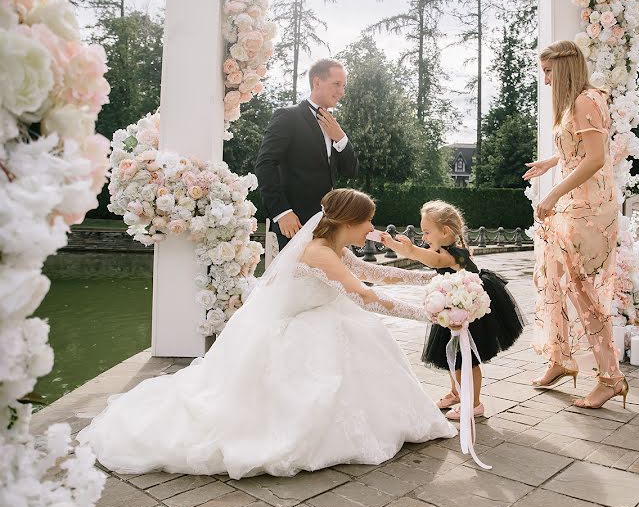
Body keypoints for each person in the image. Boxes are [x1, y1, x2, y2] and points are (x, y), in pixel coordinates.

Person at [78, 189, 456, 479]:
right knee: (345, 331)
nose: (371, 229)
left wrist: (438, 278)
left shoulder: (336, 247)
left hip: (316, 314)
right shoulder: (320, 252)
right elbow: (366, 297)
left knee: (354, 334)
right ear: (346, 222)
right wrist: (430, 316)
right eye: (367, 222)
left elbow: (381, 274)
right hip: (287, 328)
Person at [522, 40, 627, 410]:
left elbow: (596, 158)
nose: (546, 80)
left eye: (549, 72)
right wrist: (551, 163)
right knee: (552, 278)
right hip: (576, 203)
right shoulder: (579, 103)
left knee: (581, 288)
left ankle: (611, 378)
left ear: (564, 69)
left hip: (589, 208)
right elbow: (579, 147)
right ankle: (560, 358)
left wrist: (551, 195)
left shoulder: (584, 100)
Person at [381, 200, 525, 420]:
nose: (424, 237)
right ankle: (457, 392)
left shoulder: (448, 256)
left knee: (465, 358)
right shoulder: (454, 250)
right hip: (455, 308)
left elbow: (425, 257)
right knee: (452, 354)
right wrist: (394, 245)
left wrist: (406, 248)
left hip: (466, 313)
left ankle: (474, 404)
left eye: (427, 232)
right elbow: (422, 255)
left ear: (445, 231)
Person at [255, 59, 359, 249]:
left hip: (328, 223)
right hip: (295, 223)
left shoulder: (333, 125)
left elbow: (351, 170)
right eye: (336, 84)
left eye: (344, 86)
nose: (341, 92)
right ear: (317, 82)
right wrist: (282, 212)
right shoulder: (287, 116)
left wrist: (341, 138)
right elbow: (265, 165)